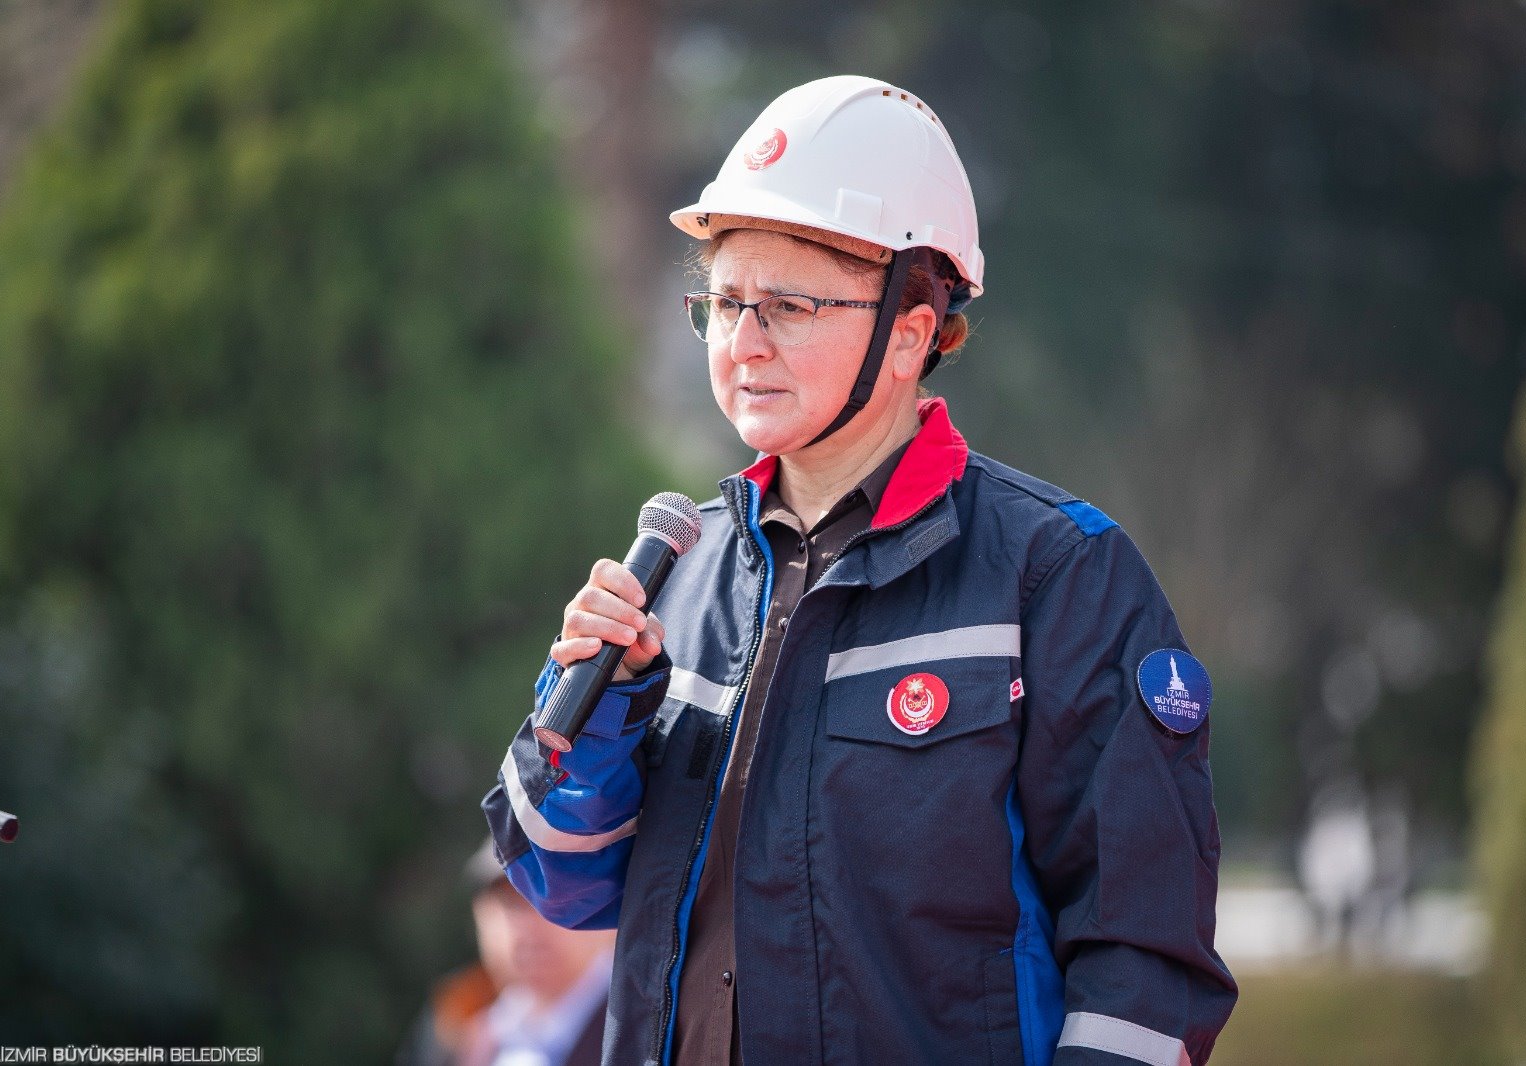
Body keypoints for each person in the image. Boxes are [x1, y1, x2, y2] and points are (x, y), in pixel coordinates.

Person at [484, 75, 1237, 1065]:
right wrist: (605, 709)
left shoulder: (1057, 577)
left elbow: (1144, 968)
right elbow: (560, 883)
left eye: (787, 305)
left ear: (910, 333)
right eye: (723, 300)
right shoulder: (686, 566)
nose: (742, 342)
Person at [399, 842, 614, 1066]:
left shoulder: (643, 1020)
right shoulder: (454, 1026)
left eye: (553, 896)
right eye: (510, 901)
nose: (528, 924)